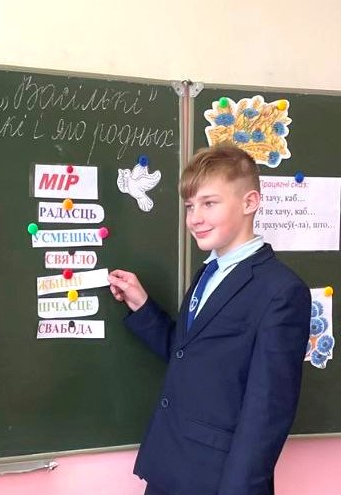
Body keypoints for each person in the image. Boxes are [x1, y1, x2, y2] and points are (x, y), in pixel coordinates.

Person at [108, 144, 311, 495]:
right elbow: (188, 354)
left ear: (250, 202)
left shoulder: (281, 291)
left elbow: (267, 411)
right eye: (190, 206)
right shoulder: (207, 274)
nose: (194, 218)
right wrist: (143, 306)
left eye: (209, 203)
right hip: (171, 466)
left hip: (217, 481)